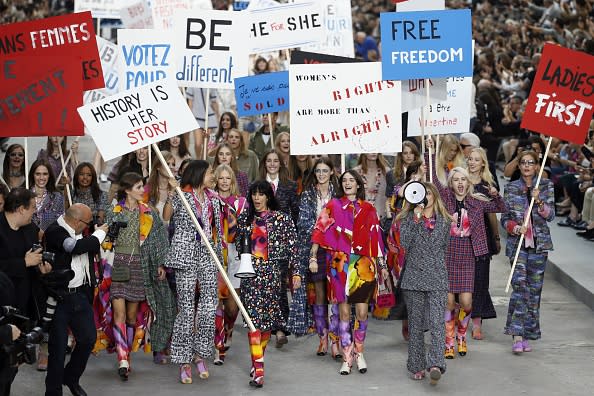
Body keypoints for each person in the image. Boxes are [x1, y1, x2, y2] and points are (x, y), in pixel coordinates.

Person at [310, 170, 389, 375]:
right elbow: (319, 230)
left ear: (358, 184)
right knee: (344, 312)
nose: (347, 183)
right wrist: (313, 257)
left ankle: (359, 352)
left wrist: (382, 267)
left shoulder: (369, 208)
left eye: (351, 180)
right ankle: (346, 356)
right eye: (344, 180)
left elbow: (377, 240)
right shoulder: (333, 206)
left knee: (362, 312)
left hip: (363, 264)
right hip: (339, 263)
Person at [103, 172, 175, 381]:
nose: (142, 189)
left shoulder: (149, 212)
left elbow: (159, 238)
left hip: (139, 267)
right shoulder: (114, 211)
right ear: (127, 190)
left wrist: (160, 263)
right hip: (118, 265)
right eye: (138, 187)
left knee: (132, 317)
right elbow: (105, 238)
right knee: (119, 315)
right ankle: (123, 359)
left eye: (142, 186)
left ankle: (126, 351)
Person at [165, 160, 223, 384]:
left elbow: (216, 228)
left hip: (208, 255)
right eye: (210, 173)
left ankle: (200, 354)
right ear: (199, 174)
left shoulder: (213, 198)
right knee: (187, 310)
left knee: (209, 308)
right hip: (185, 255)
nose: (214, 176)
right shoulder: (182, 195)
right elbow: (167, 215)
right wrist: (173, 192)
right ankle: (184, 360)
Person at [236, 180, 297, 388]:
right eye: (254, 193)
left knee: (265, 326)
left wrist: (296, 273)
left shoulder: (282, 219)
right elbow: (237, 245)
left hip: (272, 277)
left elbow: (293, 249)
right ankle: (259, 371)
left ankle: (257, 358)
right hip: (250, 277)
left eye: (261, 194)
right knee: (253, 324)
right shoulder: (245, 218)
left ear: (269, 196)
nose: (257, 197)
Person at [43, 204, 108, 396]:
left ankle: (70, 378)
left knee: (88, 340)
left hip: (81, 295)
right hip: (60, 298)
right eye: (87, 223)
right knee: (58, 349)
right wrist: (99, 235)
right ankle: (53, 392)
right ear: (77, 221)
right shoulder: (55, 231)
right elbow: (75, 248)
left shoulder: (81, 230)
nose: (89, 227)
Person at [397, 182, 452, 385]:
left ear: (435, 196)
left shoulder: (445, 220)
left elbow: (445, 246)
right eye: (422, 193)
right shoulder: (407, 218)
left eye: (429, 193)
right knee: (416, 324)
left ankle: (436, 363)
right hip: (413, 278)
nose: (425, 196)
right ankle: (417, 365)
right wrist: (416, 219)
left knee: (438, 322)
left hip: (437, 277)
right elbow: (404, 243)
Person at [501, 150, 554, 354]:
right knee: (520, 287)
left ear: (537, 165)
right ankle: (517, 334)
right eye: (523, 162)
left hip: (539, 246)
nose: (526, 166)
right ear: (519, 165)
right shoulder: (512, 188)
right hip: (518, 245)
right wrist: (515, 227)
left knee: (534, 291)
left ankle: (529, 332)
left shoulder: (546, 186)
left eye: (530, 162)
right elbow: (504, 219)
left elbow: (551, 216)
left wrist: (539, 201)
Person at [0, 188, 51, 393]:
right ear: (21, 209)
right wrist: (23, 262)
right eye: (32, 209)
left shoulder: (30, 229)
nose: (34, 213)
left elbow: (35, 255)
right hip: (2, 308)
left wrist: (42, 266)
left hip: (25, 304)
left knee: (13, 364)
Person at [288, 157, 339, 355]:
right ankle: (323, 338)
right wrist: (324, 232)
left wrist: (330, 233)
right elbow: (303, 223)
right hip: (314, 249)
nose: (321, 174)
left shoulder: (339, 194)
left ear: (332, 172)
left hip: (336, 250)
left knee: (334, 294)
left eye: (325, 171)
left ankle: (335, 341)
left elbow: (343, 222)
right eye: (318, 171)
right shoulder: (308, 194)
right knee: (319, 293)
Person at [213, 164, 248, 365]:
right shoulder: (210, 200)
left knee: (232, 307)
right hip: (215, 255)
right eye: (221, 178)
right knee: (218, 302)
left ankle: (229, 331)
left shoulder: (241, 202)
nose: (224, 181)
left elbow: (246, 228)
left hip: (235, 256)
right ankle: (219, 348)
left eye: (228, 178)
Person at [465, 147, 500, 339]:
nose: (472, 162)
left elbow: (492, 213)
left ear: (483, 163)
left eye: (476, 159)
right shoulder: (458, 180)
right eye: (470, 159)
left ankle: (477, 322)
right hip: (460, 237)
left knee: (480, 280)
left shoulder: (488, 185)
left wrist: (495, 237)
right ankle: (460, 318)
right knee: (461, 280)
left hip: (482, 237)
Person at [258, 150, 299, 226]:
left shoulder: (291, 186)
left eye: (276, 161)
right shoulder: (255, 185)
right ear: (265, 164)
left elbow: (295, 213)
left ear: (280, 164)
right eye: (269, 161)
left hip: (284, 232)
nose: (272, 164)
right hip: (261, 231)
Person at [29, 159, 65, 239]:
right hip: (27, 242)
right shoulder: (24, 196)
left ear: (49, 176)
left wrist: (43, 231)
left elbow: (60, 222)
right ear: (32, 175)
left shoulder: (57, 197)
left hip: (50, 243)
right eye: (38, 174)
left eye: (45, 174)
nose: (41, 178)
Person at [353, 153, 391, 221]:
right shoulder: (355, 172)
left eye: (375, 149)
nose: (373, 152)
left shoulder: (387, 172)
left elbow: (391, 194)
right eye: (370, 149)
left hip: (382, 217)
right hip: (360, 217)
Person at [186, 87, 219, 158]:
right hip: (197, 117)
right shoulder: (192, 83)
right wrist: (189, 117)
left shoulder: (210, 84)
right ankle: (198, 159)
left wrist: (218, 116)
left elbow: (214, 101)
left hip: (209, 117)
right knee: (198, 143)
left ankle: (204, 159)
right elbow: (190, 102)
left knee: (206, 142)